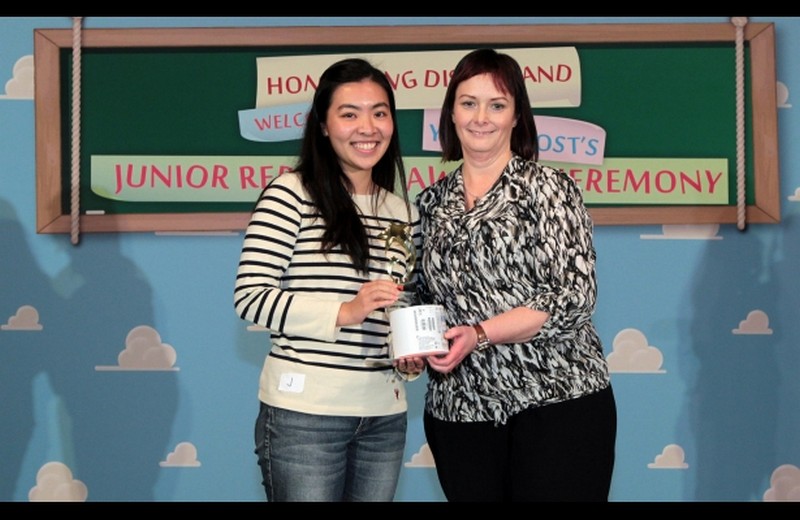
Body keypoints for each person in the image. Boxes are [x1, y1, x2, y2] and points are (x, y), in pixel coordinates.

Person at [415, 48, 617, 502]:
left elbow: (573, 296)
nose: (480, 117)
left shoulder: (550, 188)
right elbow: (421, 298)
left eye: (497, 104)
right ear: (450, 113)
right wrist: (414, 345)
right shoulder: (428, 204)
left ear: (516, 116)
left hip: (558, 404)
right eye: (468, 103)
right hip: (461, 414)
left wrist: (480, 334)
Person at [233, 57, 424, 502]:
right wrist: (345, 311)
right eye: (349, 113)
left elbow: (401, 309)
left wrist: (409, 356)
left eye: (379, 112)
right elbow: (251, 297)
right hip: (306, 415)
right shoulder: (290, 193)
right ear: (323, 125)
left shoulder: (403, 213)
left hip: (384, 414)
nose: (368, 127)